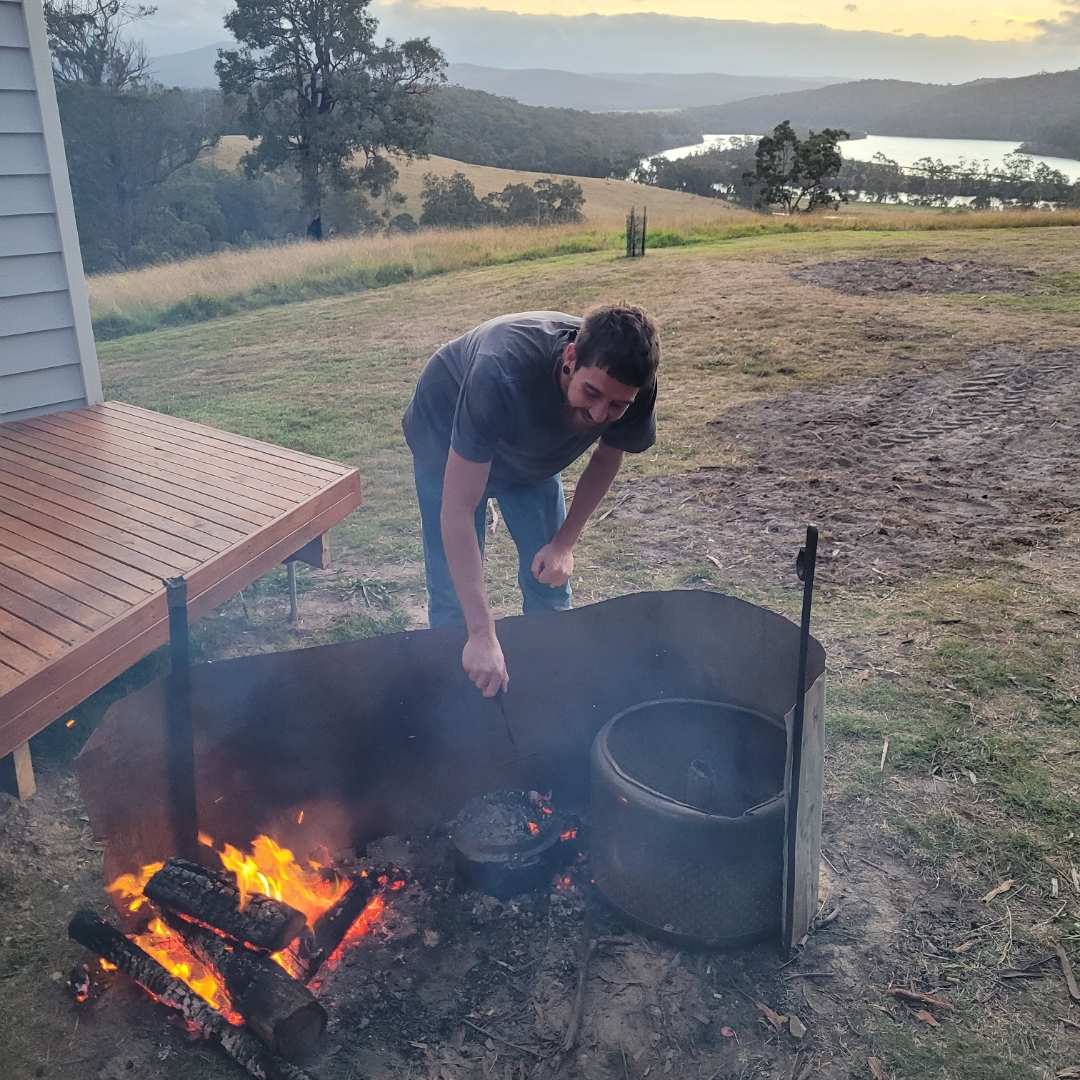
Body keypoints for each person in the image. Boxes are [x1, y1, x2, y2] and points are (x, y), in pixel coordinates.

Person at [402, 305, 661, 697]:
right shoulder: (500, 372)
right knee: (455, 601)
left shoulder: (633, 387)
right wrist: (482, 632)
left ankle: (551, 686)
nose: (598, 413)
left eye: (616, 406)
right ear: (571, 358)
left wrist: (564, 543)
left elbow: (609, 454)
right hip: (444, 434)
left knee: (550, 579)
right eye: (591, 393)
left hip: (529, 458)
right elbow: (457, 510)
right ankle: (455, 704)